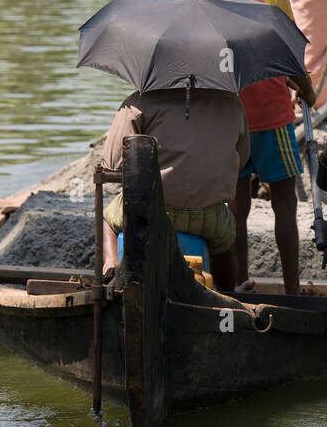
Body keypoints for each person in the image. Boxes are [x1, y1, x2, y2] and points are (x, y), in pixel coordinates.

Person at [208, 0, 314, 295]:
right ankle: (291, 290)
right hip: (272, 119)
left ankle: (238, 283)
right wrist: (307, 89)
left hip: (229, 123)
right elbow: (290, 58)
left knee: (236, 206)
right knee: (284, 204)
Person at [100, 87, 250, 292]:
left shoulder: (139, 102)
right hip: (208, 217)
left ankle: (110, 266)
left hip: (150, 211)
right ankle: (228, 293)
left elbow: (114, 163)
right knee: (225, 240)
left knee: (108, 220)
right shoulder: (232, 103)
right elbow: (243, 156)